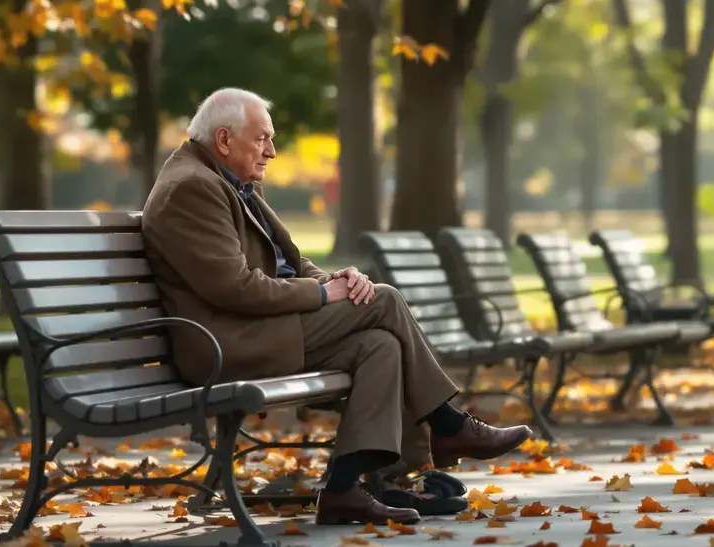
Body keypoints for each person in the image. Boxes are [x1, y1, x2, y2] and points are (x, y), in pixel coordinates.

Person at [141, 88, 531, 526]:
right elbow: (234, 288)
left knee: (380, 345)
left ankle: (349, 488)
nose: (272, 151)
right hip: (226, 343)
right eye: (262, 139)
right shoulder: (192, 187)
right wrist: (326, 295)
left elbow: (288, 263)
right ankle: (449, 425)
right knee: (384, 299)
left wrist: (335, 280)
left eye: (271, 139)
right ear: (225, 139)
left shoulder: (228, 179)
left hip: (262, 328)